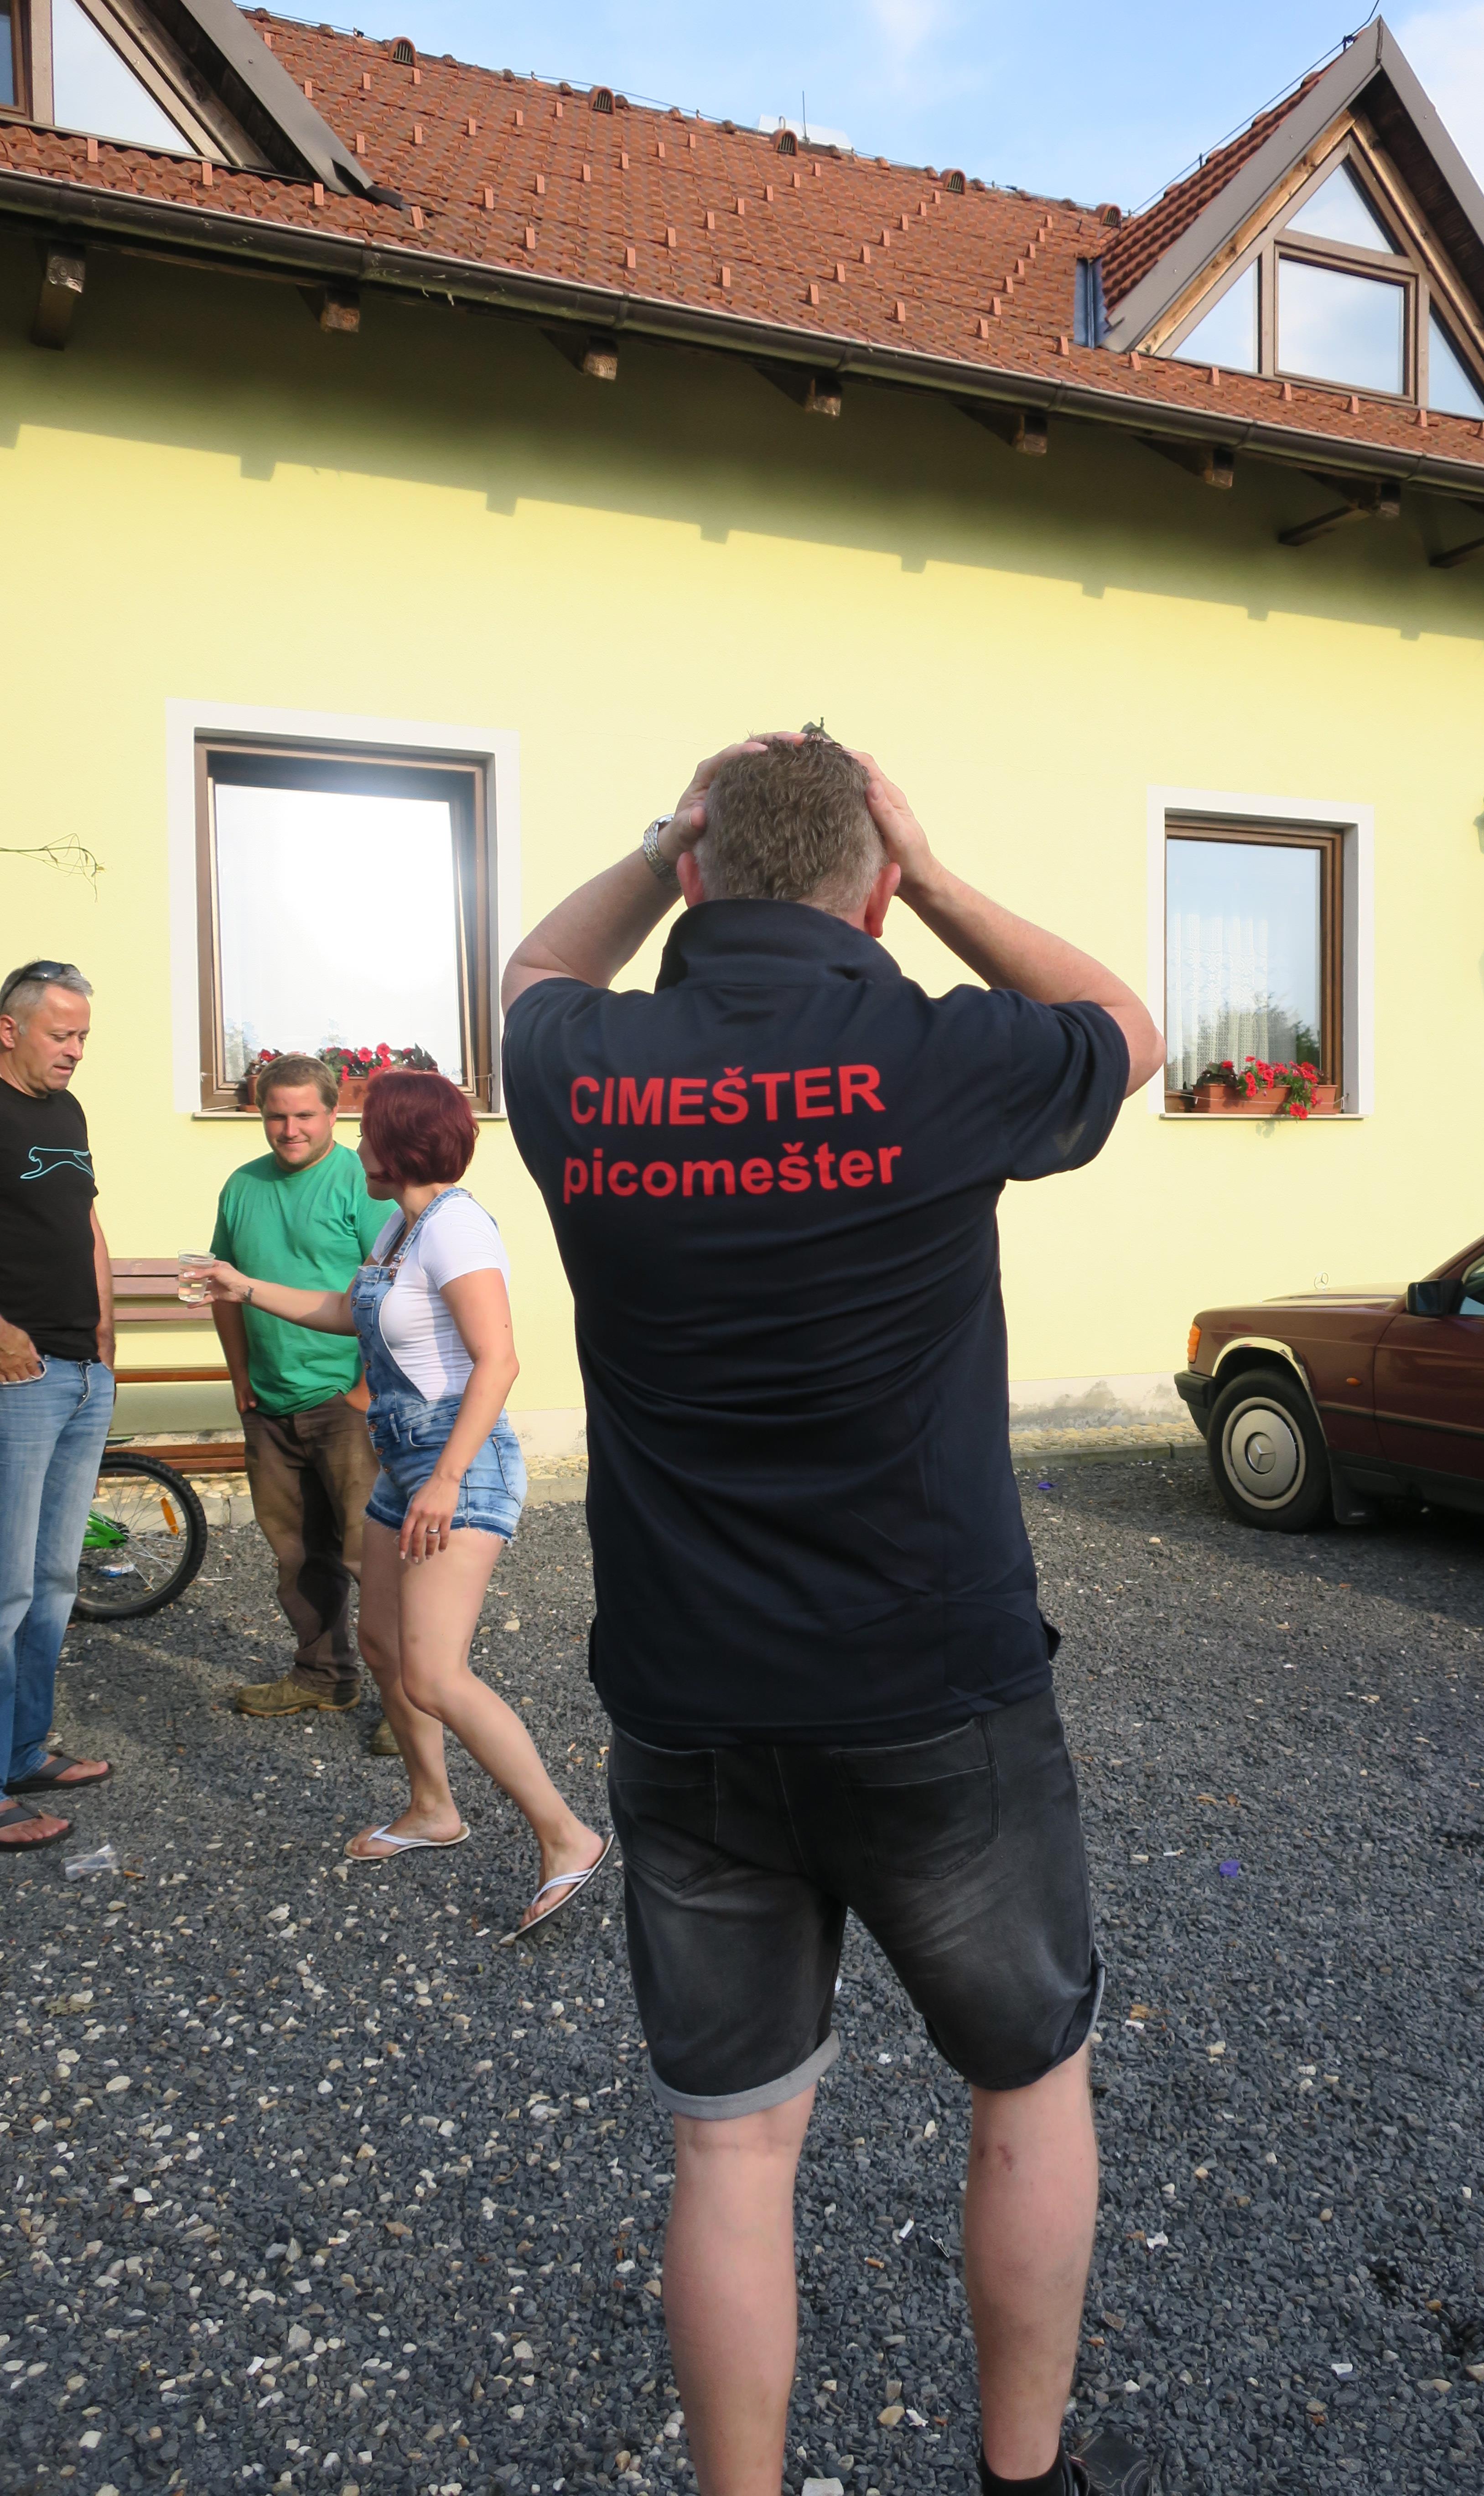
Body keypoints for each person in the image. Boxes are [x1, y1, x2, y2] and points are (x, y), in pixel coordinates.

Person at [499, 733, 1168, 2496]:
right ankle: (1021, 2476)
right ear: (870, 893)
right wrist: (934, 877)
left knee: (732, 2151)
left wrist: (655, 843)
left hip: (689, 1709)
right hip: (934, 1691)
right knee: (1024, 2081)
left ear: (696, 871)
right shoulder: (943, 1056)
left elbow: (531, 969)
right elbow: (1127, 1024)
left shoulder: (585, 1067)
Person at [205, 1069, 609, 1934]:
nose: (356, 1145)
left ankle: (567, 1835)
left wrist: (448, 1478)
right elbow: (348, 1312)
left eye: (367, 1131)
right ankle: (432, 1808)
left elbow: (498, 1361)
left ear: (399, 1143)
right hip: (402, 1458)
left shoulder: (456, 1228)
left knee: (434, 1672)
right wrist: (243, 1286)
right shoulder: (401, 1226)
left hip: (458, 1460)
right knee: (384, 1648)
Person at [210, 1053, 389, 1735]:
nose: (290, 1130)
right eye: (276, 1116)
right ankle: (323, 1677)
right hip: (270, 1402)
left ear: (335, 1113)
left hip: (346, 1402)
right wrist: (240, 1374)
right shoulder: (242, 1185)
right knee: (296, 1557)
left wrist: (367, 1389)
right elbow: (225, 1287)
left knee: (373, 1558)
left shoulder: (360, 1183)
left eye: (304, 1115)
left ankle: (411, 1702)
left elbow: (390, 1288)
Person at [0, 960, 114, 1853]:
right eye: (61, 1034)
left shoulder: (67, 1113)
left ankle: (24, 1753)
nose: (75, 1050)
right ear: (10, 1029)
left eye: (83, 1036)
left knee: (52, 1585)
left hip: (81, 1374)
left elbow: (86, 1225)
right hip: (17, 1380)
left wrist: (107, 1335)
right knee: (4, 1590)